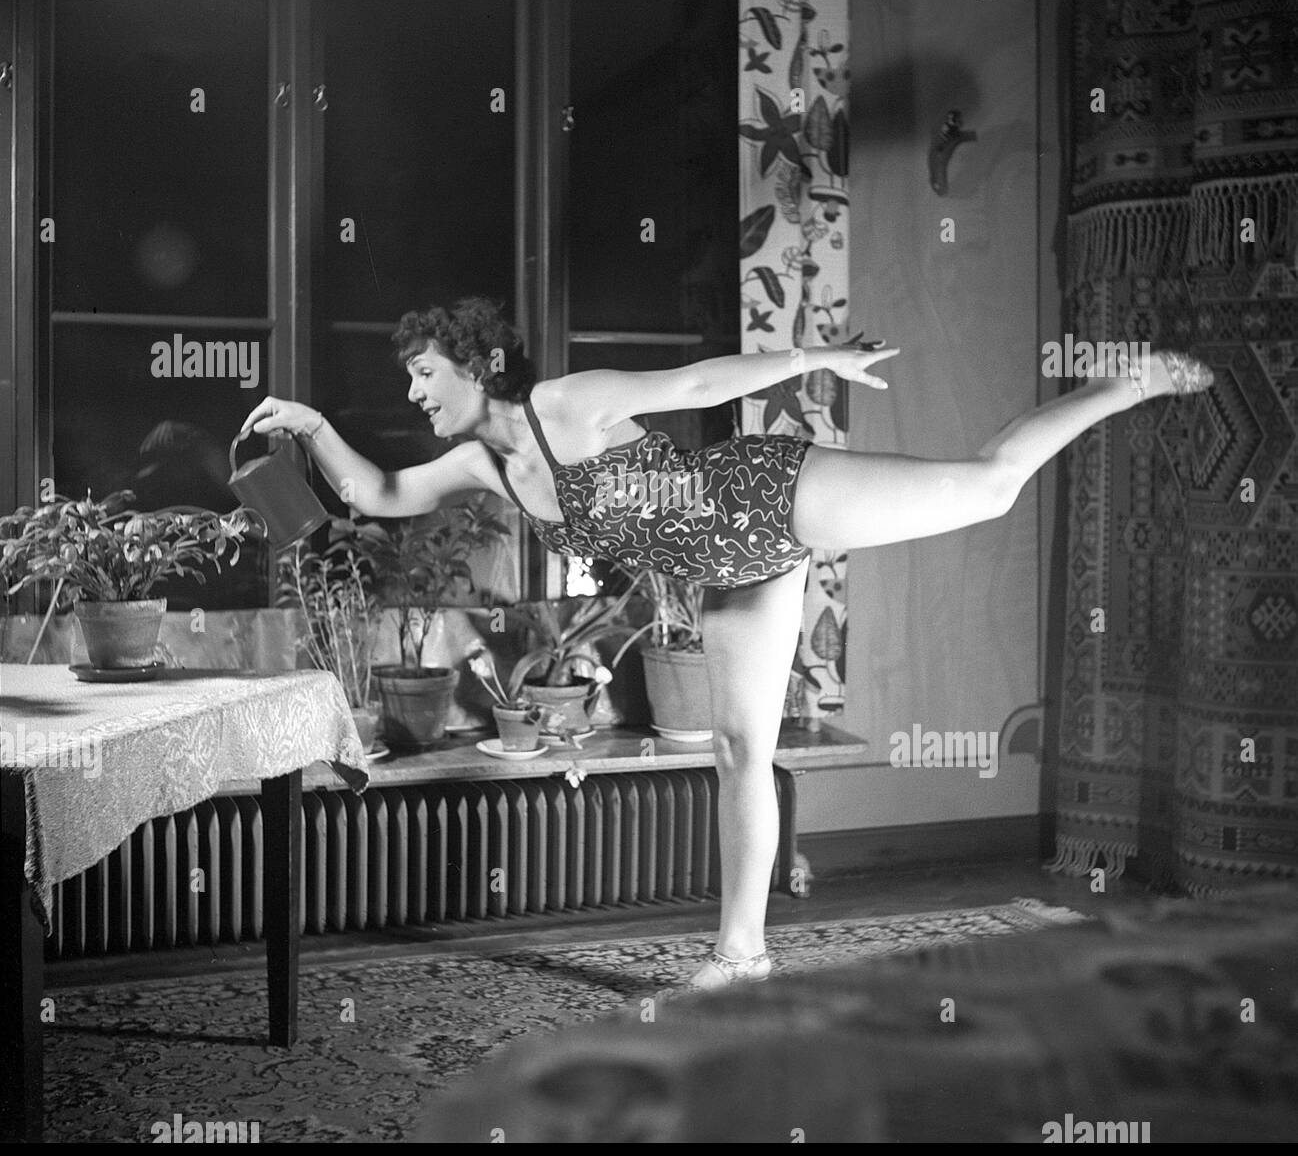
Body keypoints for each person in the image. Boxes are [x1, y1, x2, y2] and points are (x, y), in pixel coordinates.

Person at [241, 297, 1213, 989]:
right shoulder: (479, 466)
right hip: (730, 570)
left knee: (990, 484)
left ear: (475, 362)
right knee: (740, 750)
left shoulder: (566, 404)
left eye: (422, 372)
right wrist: (314, 426)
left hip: (757, 492)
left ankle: (1123, 385)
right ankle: (741, 953)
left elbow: (698, 379)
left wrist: (811, 361)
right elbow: (375, 492)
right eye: (407, 378)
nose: (413, 392)